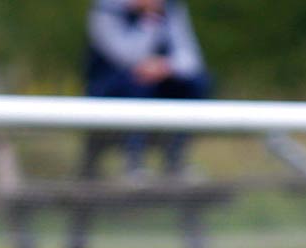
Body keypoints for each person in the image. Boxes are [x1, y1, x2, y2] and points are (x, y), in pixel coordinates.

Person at [84, 0, 211, 177]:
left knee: (196, 82)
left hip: (158, 82)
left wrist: (167, 66)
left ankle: (175, 159)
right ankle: (133, 162)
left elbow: (191, 58)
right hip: (112, 87)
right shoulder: (107, 9)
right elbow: (124, 55)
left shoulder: (171, 9)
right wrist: (149, 20)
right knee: (138, 83)